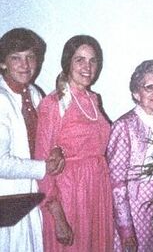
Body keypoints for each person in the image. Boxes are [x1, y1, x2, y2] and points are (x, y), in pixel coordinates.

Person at [35, 35, 114, 251]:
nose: (87, 67)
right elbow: (42, 164)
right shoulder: (53, 103)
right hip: (70, 196)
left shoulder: (93, 99)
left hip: (96, 192)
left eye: (93, 60)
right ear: (68, 62)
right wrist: (59, 218)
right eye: (80, 60)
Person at [0, 28, 64, 252]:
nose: (25, 65)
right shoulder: (1, 99)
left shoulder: (34, 93)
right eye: (16, 58)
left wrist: (56, 149)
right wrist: (43, 168)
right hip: (7, 200)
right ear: (3, 63)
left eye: (30, 57)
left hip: (32, 195)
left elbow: (48, 136)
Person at [107, 60, 153, 252]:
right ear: (136, 93)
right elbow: (117, 184)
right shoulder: (124, 126)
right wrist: (126, 229)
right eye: (150, 87)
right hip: (136, 212)